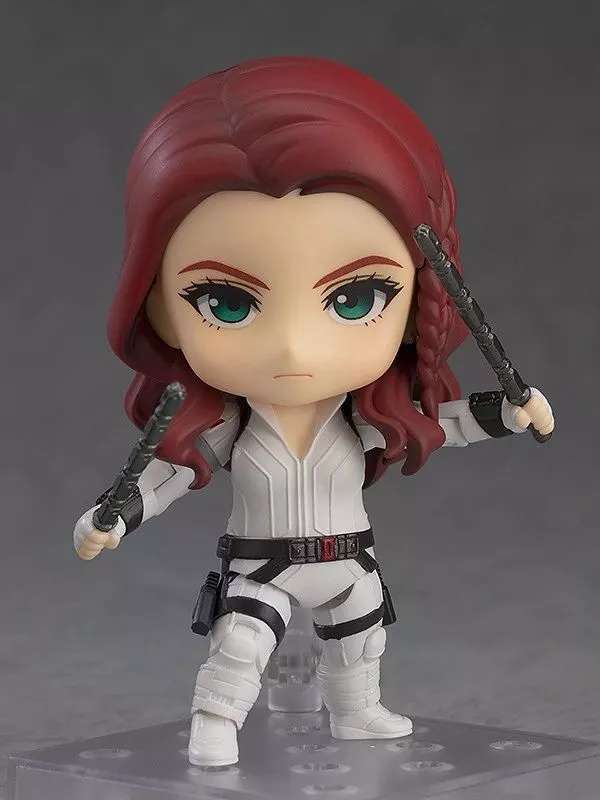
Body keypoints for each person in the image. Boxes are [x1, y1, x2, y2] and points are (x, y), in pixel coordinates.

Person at [72, 56, 554, 767]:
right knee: (240, 645)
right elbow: (170, 472)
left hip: (348, 559)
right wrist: (114, 515)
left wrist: (509, 414)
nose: (294, 345)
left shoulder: (362, 418)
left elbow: (442, 422)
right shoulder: (234, 427)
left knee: (362, 641)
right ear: (161, 308)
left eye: (354, 299)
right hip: (261, 567)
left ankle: (356, 714)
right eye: (225, 302)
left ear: (418, 300)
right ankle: (214, 722)